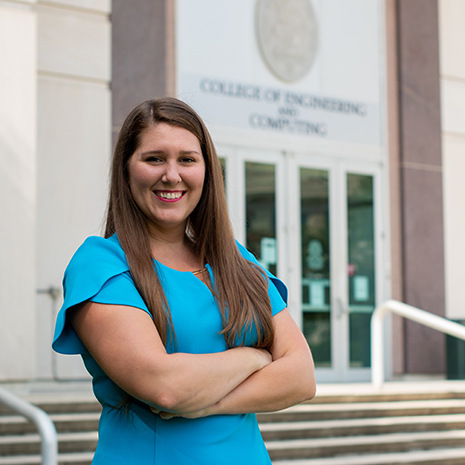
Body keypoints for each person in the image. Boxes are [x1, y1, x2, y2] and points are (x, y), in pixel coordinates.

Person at [52, 97, 315, 464]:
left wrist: (205, 402)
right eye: (154, 158)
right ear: (127, 169)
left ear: (207, 171)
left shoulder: (236, 261)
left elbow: (301, 376)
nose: (171, 175)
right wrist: (254, 356)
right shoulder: (101, 263)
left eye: (187, 159)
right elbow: (166, 388)